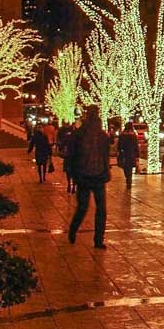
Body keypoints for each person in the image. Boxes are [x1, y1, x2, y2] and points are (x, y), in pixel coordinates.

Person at [67, 106, 111, 248]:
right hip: (90, 175)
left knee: (88, 208)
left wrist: (72, 173)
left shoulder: (89, 134)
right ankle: (94, 238)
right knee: (92, 208)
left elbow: (71, 155)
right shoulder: (86, 134)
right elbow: (72, 155)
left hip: (89, 176)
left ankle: (90, 236)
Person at [116, 122, 140, 190]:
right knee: (130, 168)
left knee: (126, 168)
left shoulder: (122, 135)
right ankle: (129, 180)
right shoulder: (133, 135)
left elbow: (119, 146)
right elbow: (136, 146)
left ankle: (128, 179)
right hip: (131, 154)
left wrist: (119, 152)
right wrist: (137, 155)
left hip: (124, 154)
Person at [57, 122, 76, 193]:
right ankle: (73, 186)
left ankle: (69, 184)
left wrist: (61, 149)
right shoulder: (77, 136)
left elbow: (62, 145)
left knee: (68, 171)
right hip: (74, 157)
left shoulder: (68, 136)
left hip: (68, 156)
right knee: (74, 172)